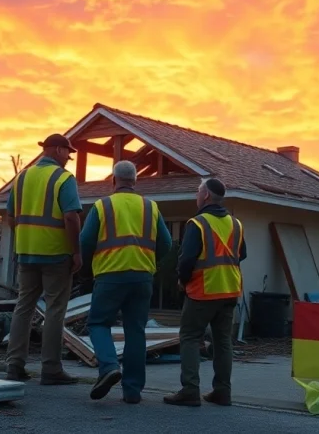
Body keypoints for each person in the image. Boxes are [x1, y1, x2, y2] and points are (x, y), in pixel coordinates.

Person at [80, 160, 173, 403]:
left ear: (114, 180)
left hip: (110, 275)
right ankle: (132, 391)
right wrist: (151, 263)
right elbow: (166, 244)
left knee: (99, 323)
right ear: (135, 181)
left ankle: (109, 366)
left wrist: (88, 269)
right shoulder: (150, 207)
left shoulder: (102, 206)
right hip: (142, 277)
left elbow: (85, 242)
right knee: (136, 331)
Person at [5, 133, 82, 385]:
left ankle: (14, 364)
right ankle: (51, 369)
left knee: (23, 306)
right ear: (58, 150)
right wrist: (77, 251)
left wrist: (23, 239)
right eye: (68, 153)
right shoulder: (63, 178)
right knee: (55, 310)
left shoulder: (22, 178)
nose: (69, 158)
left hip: (26, 253)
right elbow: (71, 217)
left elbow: (10, 216)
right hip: (56, 253)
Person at [164, 177, 246, 407]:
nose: (196, 195)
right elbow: (242, 254)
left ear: (206, 195)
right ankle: (222, 392)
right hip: (230, 289)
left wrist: (182, 279)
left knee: (190, 337)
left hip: (204, 290)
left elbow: (187, 258)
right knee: (223, 342)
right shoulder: (236, 224)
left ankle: (190, 390)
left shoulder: (197, 223)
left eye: (198, 191)